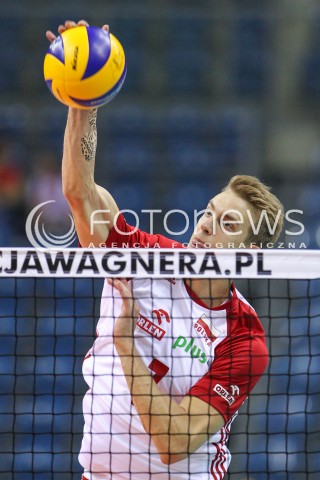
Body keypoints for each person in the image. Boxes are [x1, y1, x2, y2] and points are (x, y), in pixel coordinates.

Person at [47, 20, 284, 480]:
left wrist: (124, 343)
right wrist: (83, 104)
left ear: (251, 251)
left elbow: (174, 443)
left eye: (228, 223)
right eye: (211, 211)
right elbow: (81, 196)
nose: (207, 225)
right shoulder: (147, 257)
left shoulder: (244, 339)